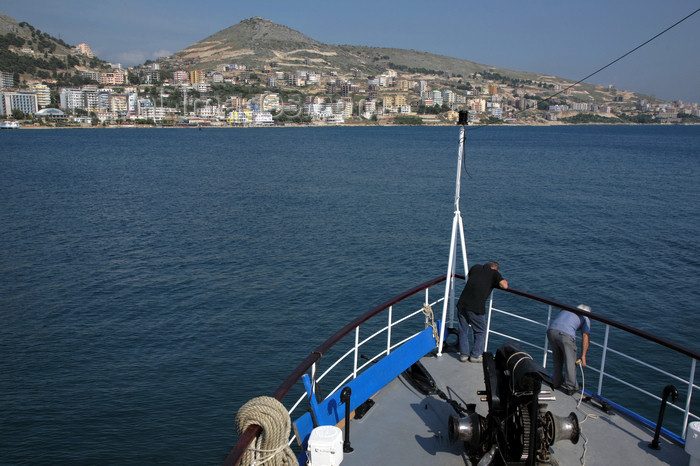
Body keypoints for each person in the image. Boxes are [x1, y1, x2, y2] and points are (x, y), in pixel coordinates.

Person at [457, 261, 508, 363]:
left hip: (462, 303)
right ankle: (475, 355)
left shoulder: (475, 267)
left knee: (463, 329)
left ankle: (464, 355)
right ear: (494, 268)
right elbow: (504, 285)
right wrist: (495, 281)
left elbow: (472, 276)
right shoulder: (494, 273)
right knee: (480, 330)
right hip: (475, 307)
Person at [547, 304, 591, 395]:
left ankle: (556, 382)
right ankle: (571, 387)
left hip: (551, 331)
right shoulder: (585, 317)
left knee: (557, 358)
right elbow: (585, 336)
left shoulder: (567, 309)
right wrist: (583, 355)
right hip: (565, 335)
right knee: (570, 361)